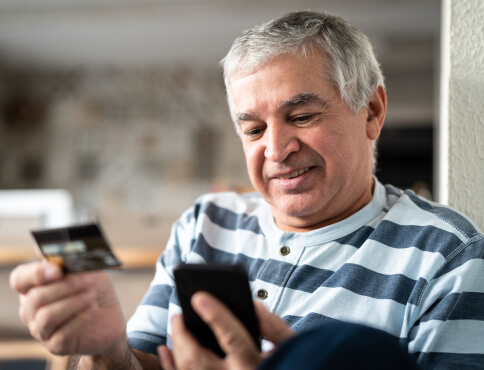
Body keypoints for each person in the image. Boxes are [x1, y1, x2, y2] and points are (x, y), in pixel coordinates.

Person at [9, 10, 484, 370]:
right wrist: (106, 348)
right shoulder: (206, 221)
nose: (276, 150)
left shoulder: (449, 257)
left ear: (373, 111)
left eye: (302, 117)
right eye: (253, 129)